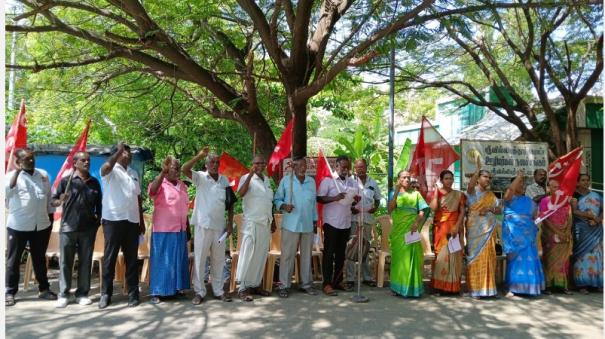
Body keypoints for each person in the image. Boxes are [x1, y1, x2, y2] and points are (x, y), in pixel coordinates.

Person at [5, 148, 57, 306]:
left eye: (32, 158)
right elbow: (7, 193)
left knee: (40, 259)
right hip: (18, 225)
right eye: (27, 159)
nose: (31, 161)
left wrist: (51, 217)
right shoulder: (10, 177)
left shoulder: (42, 175)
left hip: (41, 225)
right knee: (13, 260)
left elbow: (48, 198)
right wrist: (17, 172)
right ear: (18, 162)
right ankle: (9, 292)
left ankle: (44, 289)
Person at [183, 147, 234, 304]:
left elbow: (231, 203)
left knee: (219, 259)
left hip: (219, 229)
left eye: (217, 162)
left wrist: (230, 223)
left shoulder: (224, 180)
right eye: (211, 161)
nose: (214, 164)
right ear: (206, 164)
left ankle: (218, 291)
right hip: (203, 226)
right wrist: (199, 155)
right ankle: (199, 292)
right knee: (200, 259)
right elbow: (185, 169)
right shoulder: (200, 177)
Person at [52, 151, 102, 307]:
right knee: (65, 262)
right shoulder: (66, 181)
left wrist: (97, 220)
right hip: (68, 227)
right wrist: (59, 200)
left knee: (86, 262)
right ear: (75, 163)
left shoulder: (94, 182)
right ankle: (64, 294)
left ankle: (82, 293)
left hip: (88, 229)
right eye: (83, 160)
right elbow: (53, 202)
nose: (87, 162)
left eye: (88, 160)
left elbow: (100, 205)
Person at [99, 143, 146, 309]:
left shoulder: (133, 173)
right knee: (110, 258)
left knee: (132, 260)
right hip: (113, 220)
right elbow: (105, 168)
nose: (128, 155)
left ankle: (133, 294)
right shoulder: (110, 171)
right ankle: (106, 294)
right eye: (124, 152)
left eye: (128, 153)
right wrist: (118, 150)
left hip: (132, 221)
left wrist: (141, 220)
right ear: (117, 154)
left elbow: (138, 198)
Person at [147, 156, 190, 304]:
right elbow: (152, 191)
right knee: (161, 261)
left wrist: (187, 227)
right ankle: (157, 291)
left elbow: (185, 207)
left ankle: (176, 289)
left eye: (178, 168)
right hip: (163, 229)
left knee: (177, 260)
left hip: (180, 229)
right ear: (166, 168)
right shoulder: (160, 183)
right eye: (173, 167)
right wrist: (162, 174)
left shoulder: (183, 185)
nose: (177, 171)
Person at [274, 157, 318, 298]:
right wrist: (284, 206)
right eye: (299, 165)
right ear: (294, 166)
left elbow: (313, 205)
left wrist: (315, 222)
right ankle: (283, 285)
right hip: (290, 224)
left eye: (304, 165)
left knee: (306, 256)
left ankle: (305, 284)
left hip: (307, 224)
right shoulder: (287, 180)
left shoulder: (311, 182)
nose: (302, 168)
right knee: (287, 256)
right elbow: (276, 199)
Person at [235, 155, 276, 301]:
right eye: (257, 163)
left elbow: (268, 202)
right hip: (251, 222)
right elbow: (240, 193)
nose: (260, 165)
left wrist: (272, 221)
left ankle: (255, 284)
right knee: (248, 254)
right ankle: (243, 288)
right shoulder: (247, 177)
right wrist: (250, 175)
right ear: (252, 164)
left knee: (260, 255)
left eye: (262, 162)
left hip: (265, 222)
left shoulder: (267, 180)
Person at [317, 155, 357, 296]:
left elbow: (353, 199)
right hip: (331, 222)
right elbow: (319, 198)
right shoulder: (328, 181)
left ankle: (338, 281)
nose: (345, 170)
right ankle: (327, 284)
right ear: (336, 166)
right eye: (343, 167)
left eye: (347, 167)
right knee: (329, 253)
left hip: (345, 222)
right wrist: (335, 198)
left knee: (341, 254)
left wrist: (354, 199)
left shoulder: (351, 182)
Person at [501, 170, 545, 297]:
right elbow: (508, 194)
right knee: (514, 260)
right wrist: (519, 176)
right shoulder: (509, 198)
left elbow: (535, 217)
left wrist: (539, 220)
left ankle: (529, 288)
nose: (522, 185)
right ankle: (512, 287)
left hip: (528, 235)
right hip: (513, 235)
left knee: (529, 258)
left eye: (523, 183)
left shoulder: (529, 201)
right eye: (519, 183)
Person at [387, 170, 429, 297]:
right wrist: (395, 192)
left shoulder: (416, 194)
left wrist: (416, 223)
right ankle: (397, 287)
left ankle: (412, 288)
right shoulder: (393, 193)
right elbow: (390, 209)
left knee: (412, 257)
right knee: (399, 259)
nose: (407, 180)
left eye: (408, 178)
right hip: (399, 230)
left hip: (412, 228)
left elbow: (422, 211)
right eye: (404, 177)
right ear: (399, 179)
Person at [465, 158, 499, 298]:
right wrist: (477, 169)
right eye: (485, 176)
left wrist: (490, 208)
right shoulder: (472, 192)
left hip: (489, 231)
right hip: (475, 231)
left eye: (489, 177)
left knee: (489, 257)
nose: (488, 179)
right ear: (478, 178)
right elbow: (470, 186)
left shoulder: (490, 195)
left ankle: (489, 289)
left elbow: (499, 209)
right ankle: (476, 290)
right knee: (475, 257)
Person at [345, 159, 381, 288]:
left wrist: (375, 209)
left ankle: (367, 277)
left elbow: (377, 199)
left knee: (365, 248)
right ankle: (349, 278)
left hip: (367, 219)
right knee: (351, 247)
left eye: (362, 167)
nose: (360, 169)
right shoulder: (350, 181)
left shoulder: (373, 182)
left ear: (366, 167)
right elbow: (346, 199)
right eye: (357, 167)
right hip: (354, 219)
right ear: (355, 168)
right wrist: (351, 207)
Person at [429, 170, 465, 295]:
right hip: (441, 228)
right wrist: (435, 192)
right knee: (441, 257)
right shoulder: (438, 193)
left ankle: (453, 287)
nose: (449, 181)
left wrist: (457, 226)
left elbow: (462, 212)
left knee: (455, 256)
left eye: (451, 178)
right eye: (446, 179)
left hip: (454, 227)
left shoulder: (459, 195)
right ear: (441, 180)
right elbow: (433, 208)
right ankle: (440, 287)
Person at [540, 179, 573, 294]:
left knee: (564, 261)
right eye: (554, 187)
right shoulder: (545, 201)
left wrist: (567, 231)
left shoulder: (565, 202)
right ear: (548, 188)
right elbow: (544, 219)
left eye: (558, 187)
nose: (557, 189)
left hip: (564, 234)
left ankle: (563, 286)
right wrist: (557, 232)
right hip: (550, 234)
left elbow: (569, 217)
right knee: (549, 260)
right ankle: (548, 286)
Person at [571, 174, 603, 294]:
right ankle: (582, 284)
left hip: (596, 229)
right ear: (578, 182)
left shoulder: (597, 195)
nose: (585, 182)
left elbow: (603, 210)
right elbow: (574, 211)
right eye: (583, 180)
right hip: (582, 229)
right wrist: (589, 216)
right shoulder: (575, 196)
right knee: (582, 256)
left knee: (597, 254)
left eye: (587, 180)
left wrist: (597, 220)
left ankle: (597, 283)